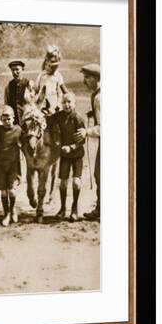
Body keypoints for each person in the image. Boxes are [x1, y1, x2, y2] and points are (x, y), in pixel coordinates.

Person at [74, 63, 101, 220]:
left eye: (87, 77)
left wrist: (86, 132)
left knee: (100, 174)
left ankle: (101, 211)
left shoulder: (99, 97)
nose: (84, 81)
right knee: (99, 174)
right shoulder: (96, 95)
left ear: (96, 78)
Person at [0, 106, 22, 227]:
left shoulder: (18, 130)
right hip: (0, 165)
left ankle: (12, 209)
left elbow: (25, 142)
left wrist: (21, 145)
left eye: (9, 118)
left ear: (13, 118)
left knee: (12, 191)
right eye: (4, 119)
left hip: (13, 164)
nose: (7, 121)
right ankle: (6, 213)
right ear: (1, 119)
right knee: (3, 192)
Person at [55, 93, 86, 221]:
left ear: (74, 104)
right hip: (64, 155)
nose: (66, 105)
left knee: (76, 183)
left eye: (69, 102)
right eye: (64, 102)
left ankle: (74, 208)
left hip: (76, 154)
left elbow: (82, 140)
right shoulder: (59, 116)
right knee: (62, 183)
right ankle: (62, 208)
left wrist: (71, 147)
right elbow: (48, 119)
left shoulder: (78, 118)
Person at [35, 45, 67, 146]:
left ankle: (57, 144)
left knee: (55, 125)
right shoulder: (42, 75)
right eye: (51, 65)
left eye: (56, 66)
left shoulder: (58, 76)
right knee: (38, 124)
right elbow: (36, 90)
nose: (53, 68)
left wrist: (62, 102)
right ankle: (38, 144)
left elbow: (63, 90)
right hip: (41, 105)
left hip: (54, 105)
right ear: (47, 63)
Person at [4, 60, 36, 125]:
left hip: (27, 120)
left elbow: (34, 103)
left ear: (22, 69)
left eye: (17, 69)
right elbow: (6, 104)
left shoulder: (29, 84)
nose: (15, 72)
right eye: (13, 70)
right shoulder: (8, 86)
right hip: (14, 121)